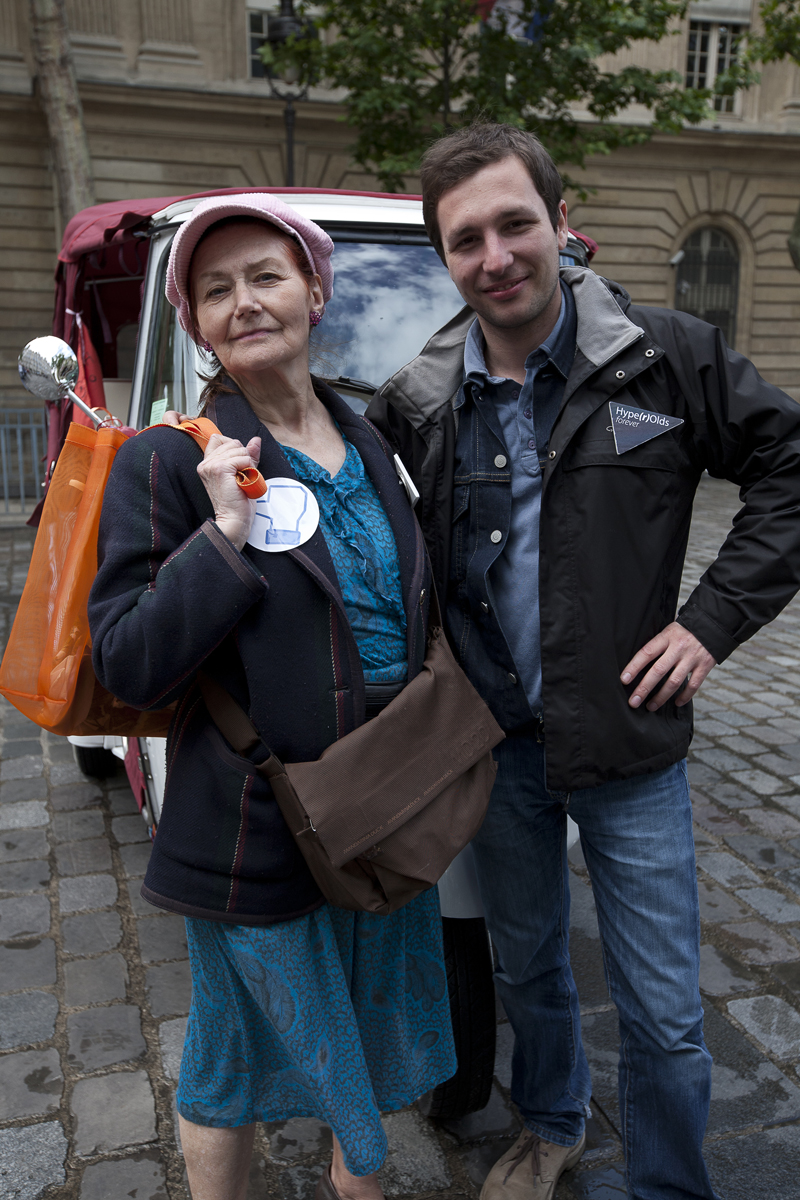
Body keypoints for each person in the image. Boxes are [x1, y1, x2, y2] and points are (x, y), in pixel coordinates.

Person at [366, 122, 800, 1200]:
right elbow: (350, 526)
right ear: (445, 259)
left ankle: (666, 1186)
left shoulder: (664, 356)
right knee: (526, 969)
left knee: (659, 1006)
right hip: (496, 749)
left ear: (561, 227)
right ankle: (551, 1121)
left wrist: (705, 622)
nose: (495, 254)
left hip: (629, 746)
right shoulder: (420, 402)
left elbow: (789, 466)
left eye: (515, 223)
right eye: (465, 239)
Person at [88, 192, 456, 1200]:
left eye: (265, 277)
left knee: (372, 1040)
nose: (244, 302)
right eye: (215, 290)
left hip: (381, 807)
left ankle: (356, 1182)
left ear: (312, 292)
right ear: (198, 324)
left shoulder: (372, 442)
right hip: (260, 821)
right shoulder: (168, 459)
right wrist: (221, 539)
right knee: (231, 1053)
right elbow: (126, 663)